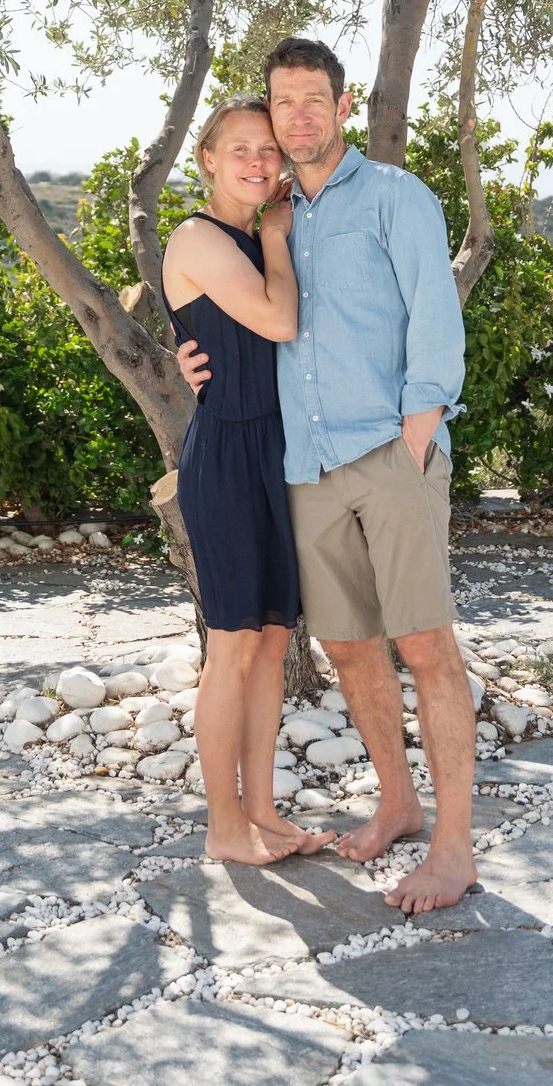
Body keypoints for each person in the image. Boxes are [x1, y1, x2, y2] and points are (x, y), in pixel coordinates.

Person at [177, 37, 476, 912]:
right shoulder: (268, 214)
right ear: (268, 114)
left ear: (343, 107)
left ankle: (453, 850)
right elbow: (221, 306)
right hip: (301, 466)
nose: (298, 116)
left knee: (426, 647)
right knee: (348, 648)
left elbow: (436, 317)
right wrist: (191, 356)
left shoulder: (394, 197)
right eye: (284, 103)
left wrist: (418, 438)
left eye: (315, 99)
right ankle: (398, 802)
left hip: (388, 453)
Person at [161, 97, 334, 865]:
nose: (259, 162)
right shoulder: (200, 236)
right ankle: (223, 828)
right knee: (230, 648)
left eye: (269, 150)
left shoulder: (253, 234)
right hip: (229, 457)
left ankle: (262, 812)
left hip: (275, 450)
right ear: (206, 158)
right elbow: (278, 322)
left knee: (270, 642)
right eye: (241, 149)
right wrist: (273, 236)